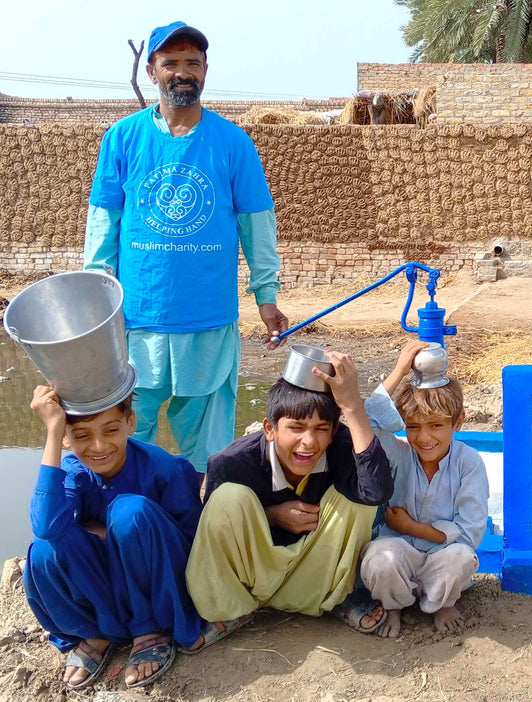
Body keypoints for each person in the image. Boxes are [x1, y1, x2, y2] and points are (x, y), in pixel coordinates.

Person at [84, 21, 288, 472]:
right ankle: (129, 526)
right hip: (137, 321)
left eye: (192, 63)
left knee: (209, 451)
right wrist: (98, 304)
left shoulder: (233, 143)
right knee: (123, 441)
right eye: (171, 63)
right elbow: (103, 226)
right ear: (153, 71)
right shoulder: (122, 139)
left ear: (205, 70)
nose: (182, 72)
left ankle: (200, 526)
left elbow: (258, 225)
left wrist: (267, 296)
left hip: (209, 320)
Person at [185, 351, 393, 634]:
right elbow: (216, 536)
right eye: (296, 428)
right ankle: (231, 608)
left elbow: (376, 492)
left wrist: (353, 406)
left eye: (321, 429)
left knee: (359, 500)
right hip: (255, 577)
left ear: (333, 432)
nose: (308, 442)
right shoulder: (232, 462)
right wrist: (269, 516)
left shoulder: (340, 446)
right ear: (269, 428)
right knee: (227, 499)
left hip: (314, 572)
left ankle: (338, 596)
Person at [23, 386, 203, 689]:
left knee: (130, 513)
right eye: (80, 436)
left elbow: (191, 544)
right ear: (67, 437)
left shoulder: (165, 468)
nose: (98, 445)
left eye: (111, 430)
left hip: (158, 588)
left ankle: (151, 629)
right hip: (109, 590)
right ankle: (95, 632)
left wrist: (125, 532)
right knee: (42, 550)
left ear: (131, 422)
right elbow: (45, 526)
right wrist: (53, 433)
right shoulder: (74, 471)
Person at [360, 340, 489, 638]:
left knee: (461, 558)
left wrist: (411, 527)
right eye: (414, 426)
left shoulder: (468, 463)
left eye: (435, 425)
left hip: (442, 558)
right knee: (380, 556)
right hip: (400, 557)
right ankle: (392, 604)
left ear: (458, 422)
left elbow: (469, 534)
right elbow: (366, 421)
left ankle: (441, 603)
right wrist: (400, 370)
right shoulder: (398, 454)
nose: (424, 437)